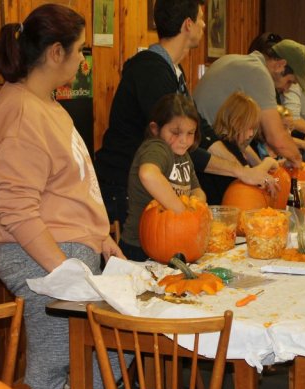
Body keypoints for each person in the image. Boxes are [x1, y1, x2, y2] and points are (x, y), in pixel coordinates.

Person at [0, 4, 123, 389]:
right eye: (80, 50)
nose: (83, 61)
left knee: (114, 354)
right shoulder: (23, 111)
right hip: (43, 260)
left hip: (68, 255)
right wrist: (62, 271)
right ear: (56, 52)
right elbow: (16, 210)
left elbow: (72, 187)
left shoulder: (46, 104)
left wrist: (101, 239)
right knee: (53, 367)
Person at [93, 0, 277, 227]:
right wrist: (240, 171)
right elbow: (179, 144)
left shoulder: (173, 71)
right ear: (187, 25)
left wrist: (243, 169)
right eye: (200, 19)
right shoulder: (151, 71)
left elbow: (202, 132)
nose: (204, 25)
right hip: (125, 187)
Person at [193, 38, 305, 167]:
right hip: (207, 152)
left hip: (203, 144)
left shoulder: (237, 60)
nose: (287, 90)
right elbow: (276, 139)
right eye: (289, 82)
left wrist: (258, 165)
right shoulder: (260, 74)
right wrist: (297, 160)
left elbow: (239, 142)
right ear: (280, 65)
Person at [120, 94, 207, 260]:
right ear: (155, 129)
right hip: (140, 250)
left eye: (190, 133)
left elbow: (196, 190)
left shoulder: (184, 156)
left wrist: (197, 208)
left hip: (175, 247)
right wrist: (182, 213)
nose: (183, 140)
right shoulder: (157, 148)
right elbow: (148, 174)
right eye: (175, 132)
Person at [198, 92, 279, 204]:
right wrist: (269, 162)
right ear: (236, 122)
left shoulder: (222, 140)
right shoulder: (227, 145)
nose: (251, 134)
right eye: (250, 128)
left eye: (254, 129)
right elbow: (250, 176)